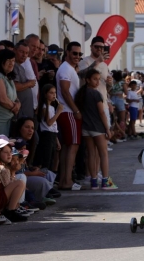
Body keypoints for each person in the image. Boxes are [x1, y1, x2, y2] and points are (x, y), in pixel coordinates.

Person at [74, 69, 117, 190]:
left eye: (98, 79)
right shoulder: (96, 94)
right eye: (95, 79)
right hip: (97, 127)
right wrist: (107, 129)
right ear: (87, 80)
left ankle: (93, 181)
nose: (97, 82)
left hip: (86, 128)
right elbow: (101, 112)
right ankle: (105, 181)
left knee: (91, 155)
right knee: (103, 154)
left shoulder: (81, 94)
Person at [56, 41, 83, 190]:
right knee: (72, 146)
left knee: (68, 146)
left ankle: (64, 180)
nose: (77, 56)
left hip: (67, 111)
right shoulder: (65, 69)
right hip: (68, 111)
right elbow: (65, 91)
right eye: (74, 53)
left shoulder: (69, 68)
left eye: (79, 54)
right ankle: (67, 181)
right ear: (67, 53)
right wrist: (76, 110)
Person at [0, 137, 28, 222]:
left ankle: (11, 209)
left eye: (10, 152)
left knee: (18, 183)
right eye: (5, 152)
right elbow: (10, 186)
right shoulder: (2, 168)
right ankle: (11, 211)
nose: (9, 155)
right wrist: (14, 172)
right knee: (20, 183)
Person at [33, 84, 62, 169]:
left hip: (52, 135)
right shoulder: (44, 107)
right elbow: (49, 122)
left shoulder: (52, 107)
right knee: (46, 158)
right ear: (45, 94)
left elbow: (53, 125)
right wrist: (58, 112)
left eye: (55, 93)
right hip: (46, 135)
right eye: (51, 93)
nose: (54, 95)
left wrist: (56, 140)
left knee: (52, 158)